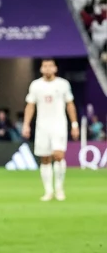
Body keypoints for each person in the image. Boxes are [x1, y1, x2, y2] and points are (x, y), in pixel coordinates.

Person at [23, 59, 77, 201]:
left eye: (50, 66)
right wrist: (26, 124)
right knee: (45, 158)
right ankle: (48, 191)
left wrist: (75, 124)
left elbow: (70, 104)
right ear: (41, 69)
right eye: (44, 66)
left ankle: (59, 188)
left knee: (58, 155)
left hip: (59, 125)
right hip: (42, 126)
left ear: (55, 68)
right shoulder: (36, 85)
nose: (47, 68)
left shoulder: (63, 84)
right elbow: (30, 105)